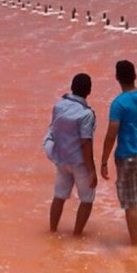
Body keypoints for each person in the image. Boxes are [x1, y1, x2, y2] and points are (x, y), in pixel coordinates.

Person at [100, 60, 137, 245]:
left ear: (117, 78)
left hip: (127, 156)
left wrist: (103, 161)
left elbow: (111, 134)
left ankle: (134, 243)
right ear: (135, 76)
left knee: (131, 203)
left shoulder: (118, 104)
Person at [47, 73, 98, 236]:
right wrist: (92, 170)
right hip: (79, 163)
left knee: (59, 196)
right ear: (89, 91)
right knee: (87, 199)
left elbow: (54, 129)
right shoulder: (86, 114)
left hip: (61, 160)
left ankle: (53, 231)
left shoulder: (59, 106)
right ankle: (76, 235)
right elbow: (85, 143)